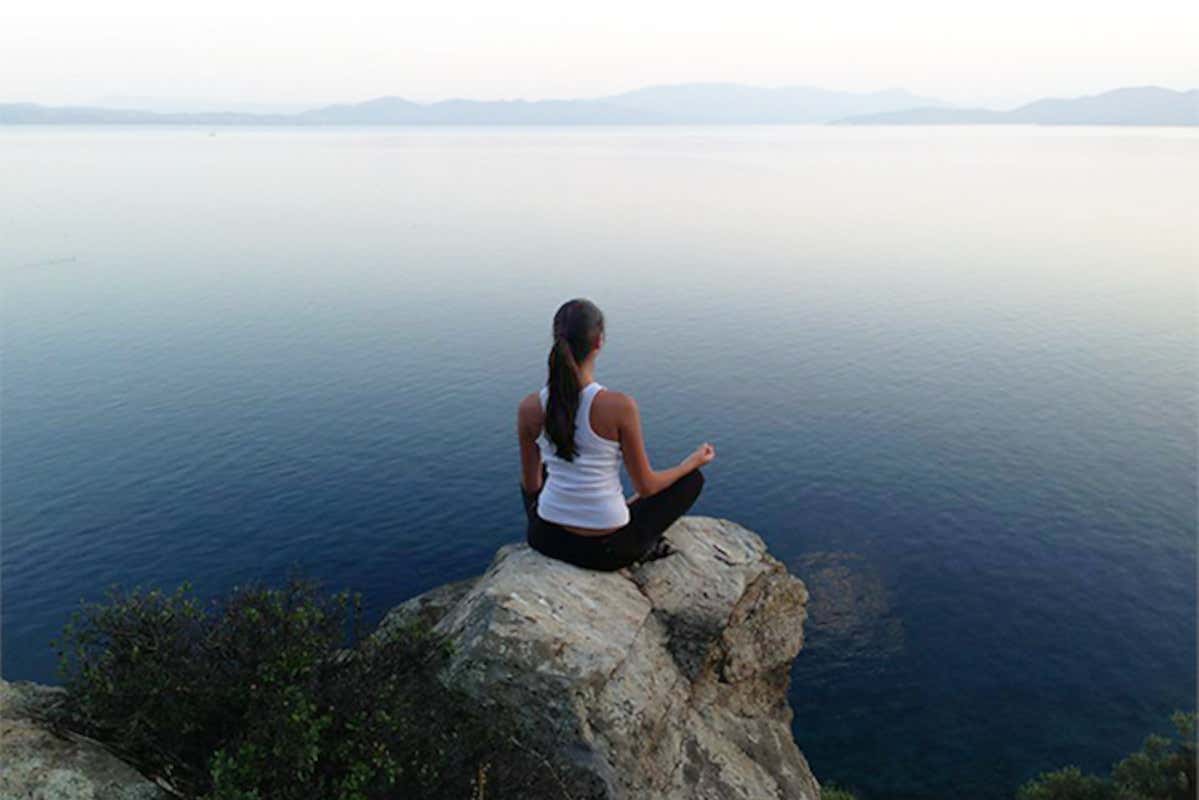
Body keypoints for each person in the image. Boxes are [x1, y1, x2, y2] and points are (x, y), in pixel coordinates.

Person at [516, 298, 715, 571]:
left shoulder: (529, 407)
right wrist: (689, 463)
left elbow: (530, 485)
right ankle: (640, 538)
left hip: (546, 538)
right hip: (607, 551)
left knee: (545, 465)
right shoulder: (619, 406)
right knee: (691, 481)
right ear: (598, 342)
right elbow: (646, 486)